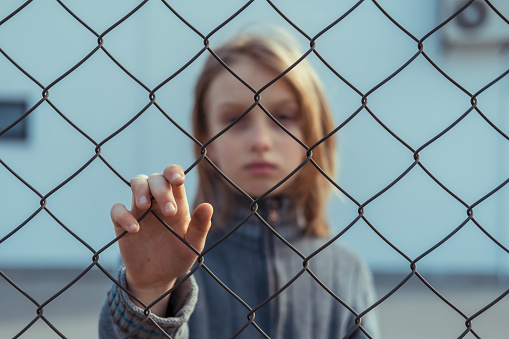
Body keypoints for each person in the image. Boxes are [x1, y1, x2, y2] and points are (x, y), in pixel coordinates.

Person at [99, 27, 380, 339]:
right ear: (207, 140)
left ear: (311, 134)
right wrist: (150, 290)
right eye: (234, 120)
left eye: (283, 117)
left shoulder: (346, 271)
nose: (260, 141)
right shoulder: (166, 259)